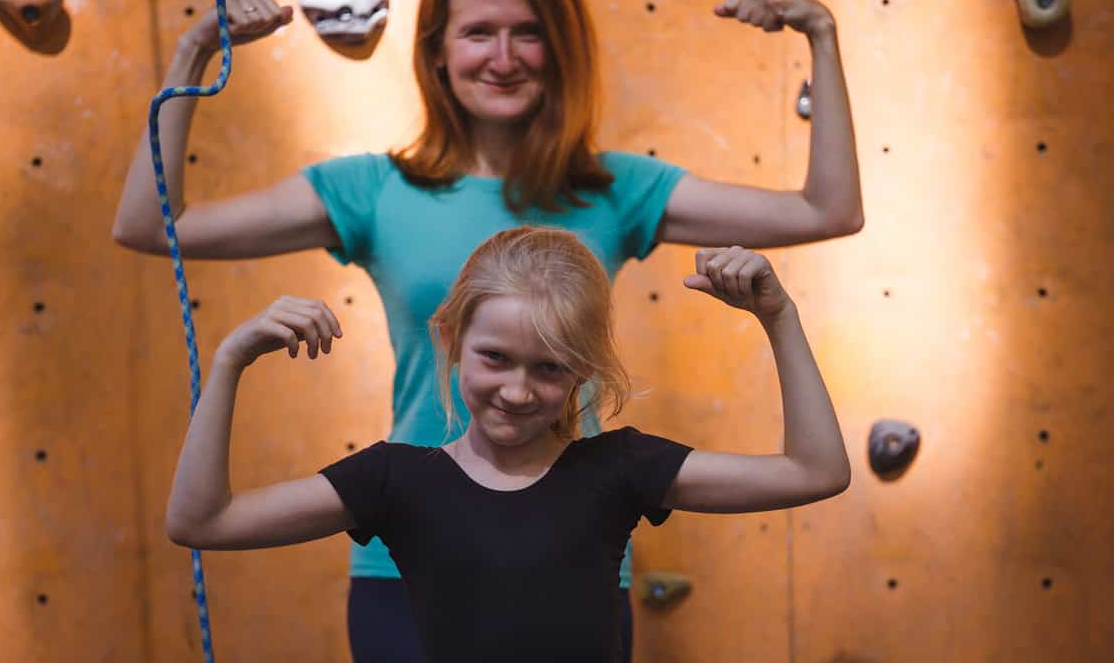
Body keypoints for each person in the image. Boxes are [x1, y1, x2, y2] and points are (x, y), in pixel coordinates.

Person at [113, 0, 863, 661]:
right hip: (408, 557)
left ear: (560, 49)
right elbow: (153, 225)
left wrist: (821, 35)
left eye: (528, 32)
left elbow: (826, 211)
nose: (503, 58)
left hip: (577, 544)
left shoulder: (615, 191)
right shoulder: (374, 191)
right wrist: (195, 50)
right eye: (478, 33)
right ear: (437, 50)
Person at [165, 228, 852, 663]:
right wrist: (230, 361)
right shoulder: (394, 481)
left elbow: (814, 471)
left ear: (582, 373)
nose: (518, 392)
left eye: (549, 368)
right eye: (495, 358)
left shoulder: (619, 468)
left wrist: (779, 317)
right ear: (452, 340)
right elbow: (201, 521)